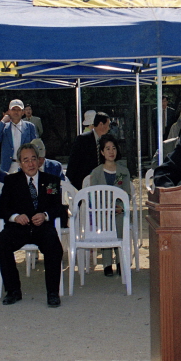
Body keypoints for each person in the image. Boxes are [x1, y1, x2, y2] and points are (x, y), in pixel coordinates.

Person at [0, 144, 64, 308]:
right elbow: (3, 209)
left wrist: (45, 215)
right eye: (26, 160)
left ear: (39, 161)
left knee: (54, 245)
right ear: (20, 163)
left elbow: (57, 208)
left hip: (42, 226)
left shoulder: (51, 180)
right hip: (20, 227)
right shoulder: (11, 181)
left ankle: (53, 293)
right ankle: (13, 291)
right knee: (2, 241)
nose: (30, 164)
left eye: (33, 159)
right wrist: (16, 217)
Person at [87, 134, 132, 277]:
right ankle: (107, 263)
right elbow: (93, 195)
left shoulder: (123, 171)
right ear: (102, 152)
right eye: (107, 149)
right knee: (106, 224)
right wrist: (104, 209)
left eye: (113, 148)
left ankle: (120, 262)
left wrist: (121, 207)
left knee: (120, 222)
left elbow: (127, 194)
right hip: (102, 212)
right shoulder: (96, 172)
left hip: (119, 210)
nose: (111, 152)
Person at [67, 111, 111, 189]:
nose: (109, 128)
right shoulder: (83, 139)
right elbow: (73, 160)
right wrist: (69, 180)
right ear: (101, 124)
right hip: (83, 182)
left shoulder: (107, 141)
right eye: (108, 125)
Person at [0, 99, 38, 173]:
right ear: (9, 111)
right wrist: (2, 121)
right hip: (8, 167)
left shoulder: (30, 127)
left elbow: (34, 146)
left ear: (23, 112)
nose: (16, 112)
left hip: (25, 166)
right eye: (13, 109)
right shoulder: (5, 127)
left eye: (19, 110)